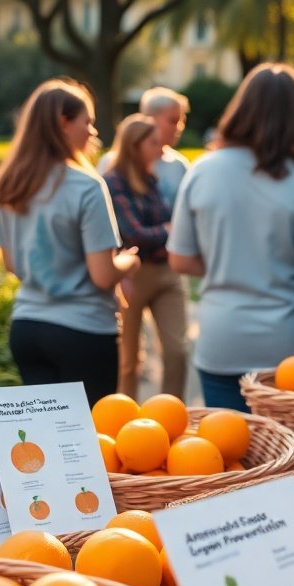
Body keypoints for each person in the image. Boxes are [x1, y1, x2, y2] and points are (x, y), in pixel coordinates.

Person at [167, 64, 294, 412]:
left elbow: (180, 259)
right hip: (293, 351)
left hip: (223, 339)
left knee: (230, 457)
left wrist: (226, 261)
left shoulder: (203, 170)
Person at [0, 79, 139, 404]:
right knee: (90, 443)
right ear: (63, 123)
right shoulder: (86, 187)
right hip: (83, 332)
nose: (93, 132)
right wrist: (129, 263)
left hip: (27, 329)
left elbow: (12, 264)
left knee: (45, 445)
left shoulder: (10, 184)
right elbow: (102, 276)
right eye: (88, 122)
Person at [103, 113, 189, 399]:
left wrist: (166, 229)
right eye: (153, 143)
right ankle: (125, 424)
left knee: (178, 352)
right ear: (135, 145)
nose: (160, 148)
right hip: (132, 277)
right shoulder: (113, 182)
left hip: (167, 273)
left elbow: (165, 226)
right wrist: (167, 229)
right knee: (128, 363)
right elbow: (136, 233)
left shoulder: (151, 178)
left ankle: (172, 418)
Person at [98, 87, 191, 208]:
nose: (179, 128)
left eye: (181, 122)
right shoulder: (112, 164)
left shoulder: (179, 165)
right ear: (149, 119)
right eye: (173, 121)